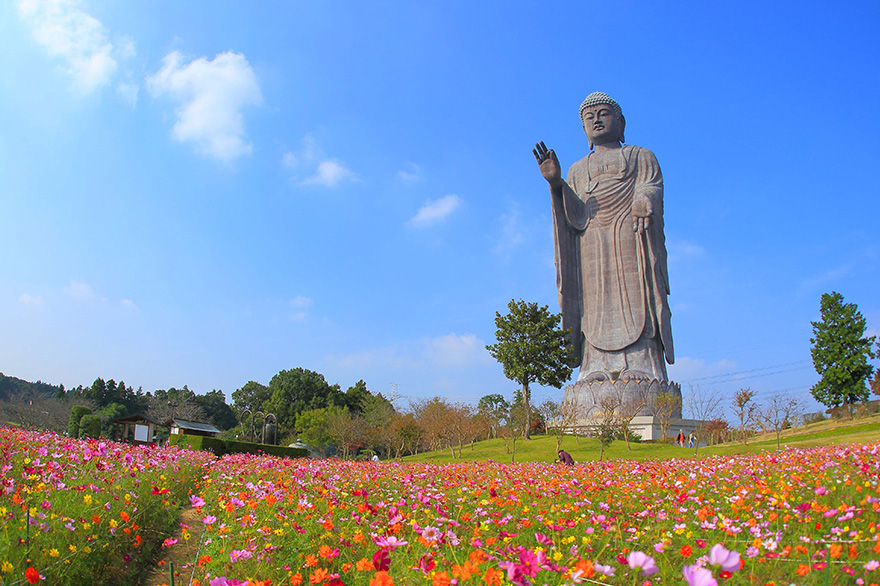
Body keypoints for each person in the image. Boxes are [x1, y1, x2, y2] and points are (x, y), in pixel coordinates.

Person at [534, 93, 673, 383]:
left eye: (603, 113)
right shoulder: (576, 169)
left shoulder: (640, 156)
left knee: (637, 294)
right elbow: (574, 216)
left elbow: (651, 185)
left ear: (620, 123)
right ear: (583, 127)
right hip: (591, 244)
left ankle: (643, 364)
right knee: (592, 304)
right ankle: (593, 365)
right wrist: (556, 183)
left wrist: (644, 197)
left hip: (630, 236)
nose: (596, 119)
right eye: (589, 116)